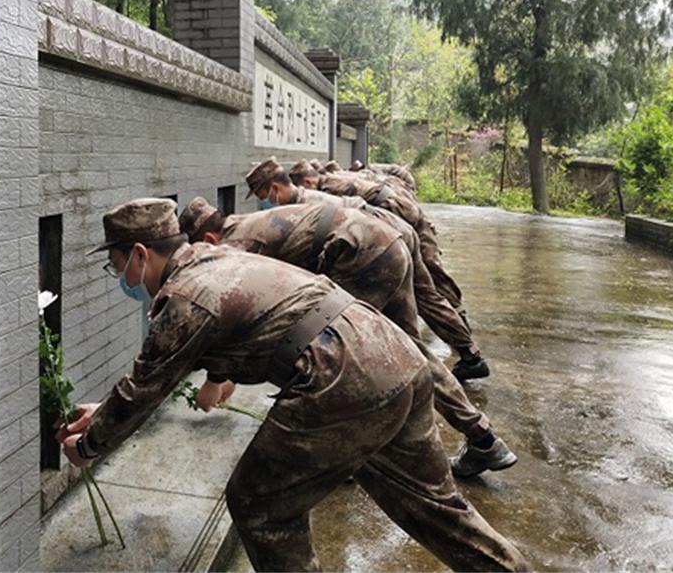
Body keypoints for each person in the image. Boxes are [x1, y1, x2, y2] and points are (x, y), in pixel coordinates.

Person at [60, 198, 528, 572]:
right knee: (440, 512)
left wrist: (91, 444)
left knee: (259, 503)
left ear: (141, 255)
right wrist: (102, 413)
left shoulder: (184, 298)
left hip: (344, 378)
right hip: (395, 358)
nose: (121, 278)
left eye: (118, 266)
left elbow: (144, 387)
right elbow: (158, 378)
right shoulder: (217, 257)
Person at [178, 196, 517, 477]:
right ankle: (483, 439)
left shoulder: (236, 246)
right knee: (410, 350)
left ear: (207, 240)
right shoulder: (244, 224)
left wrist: (217, 377)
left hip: (359, 254)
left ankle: (343, 458)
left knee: (340, 353)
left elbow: (239, 314)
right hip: (384, 241)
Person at [248, 158, 488, 383]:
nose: (265, 202)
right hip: (398, 231)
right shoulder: (312, 197)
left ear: (276, 188)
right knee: (426, 299)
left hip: (387, 240)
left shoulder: (306, 207)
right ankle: (469, 355)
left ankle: (401, 376)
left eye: (263, 195)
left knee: (358, 318)